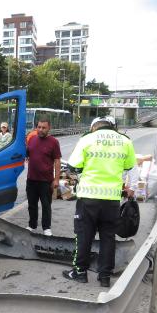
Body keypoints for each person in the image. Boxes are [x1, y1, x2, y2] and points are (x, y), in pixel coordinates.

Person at [62, 116, 136, 288]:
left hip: (88, 197)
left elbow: (74, 165)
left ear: (94, 127)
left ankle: (80, 272)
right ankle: (104, 277)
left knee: (84, 235)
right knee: (108, 237)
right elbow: (129, 165)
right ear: (111, 126)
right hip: (111, 199)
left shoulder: (87, 139)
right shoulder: (125, 141)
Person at [25, 117, 61, 237]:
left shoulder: (54, 142)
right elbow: (27, 155)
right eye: (39, 127)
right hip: (31, 179)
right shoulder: (32, 139)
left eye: (44, 127)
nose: (41, 129)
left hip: (46, 181)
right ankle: (32, 225)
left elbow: (57, 161)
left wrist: (56, 179)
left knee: (46, 205)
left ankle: (46, 227)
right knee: (32, 204)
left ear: (49, 128)